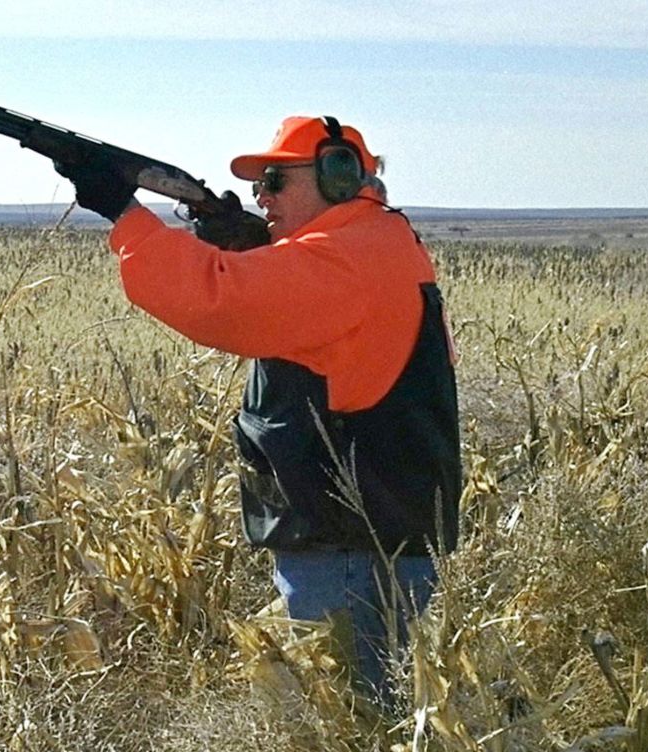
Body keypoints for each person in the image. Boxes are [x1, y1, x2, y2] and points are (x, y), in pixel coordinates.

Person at [56, 116, 461, 704]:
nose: (261, 197)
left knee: (351, 718)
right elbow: (309, 301)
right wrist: (255, 245)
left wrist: (124, 213)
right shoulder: (380, 241)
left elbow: (215, 300)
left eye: (274, 181)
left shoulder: (348, 257)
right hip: (373, 536)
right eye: (257, 185)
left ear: (338, 176)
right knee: (371, 710)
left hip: (351, 549)